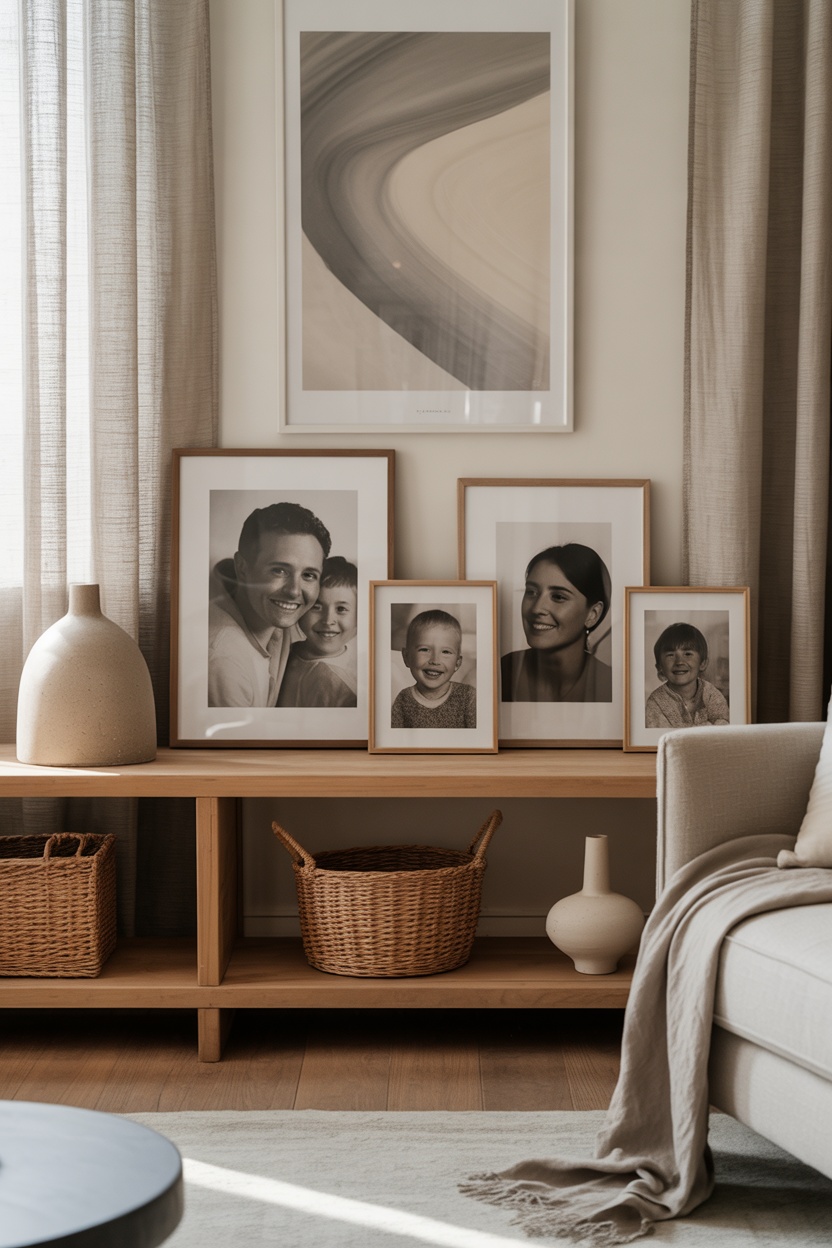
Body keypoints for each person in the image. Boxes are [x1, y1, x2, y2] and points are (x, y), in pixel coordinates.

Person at [208, 501, 331, 707]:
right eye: (279, 571)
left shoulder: (275, 617)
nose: (293, 591)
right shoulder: (224, 661)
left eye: (308, 575)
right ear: (242, 568)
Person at [500, 542, 612, 703]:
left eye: (558, 597)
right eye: (531, 592)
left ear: (592, 614)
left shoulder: (613, 685)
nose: (537, 608)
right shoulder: (500, 673)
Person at [277, 556, 358, 709]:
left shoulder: (345, 684)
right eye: (316, 607)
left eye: (341, 609)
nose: (328, 620)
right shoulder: (286, 651)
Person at [391, 609, 477, 729]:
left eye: (446, 652)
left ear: (457, 663)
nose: (435, 660)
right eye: (424, 649)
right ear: (406, 657)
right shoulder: (403, 699)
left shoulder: (468, 697)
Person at [645, 621, 730, 728]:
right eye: (670, 655)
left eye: (688, 654)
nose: (679, 661)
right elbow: (661, 736)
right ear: (660, 667)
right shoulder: (656, 702)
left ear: (703, 663)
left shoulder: (711, 694)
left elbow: (723, 724)